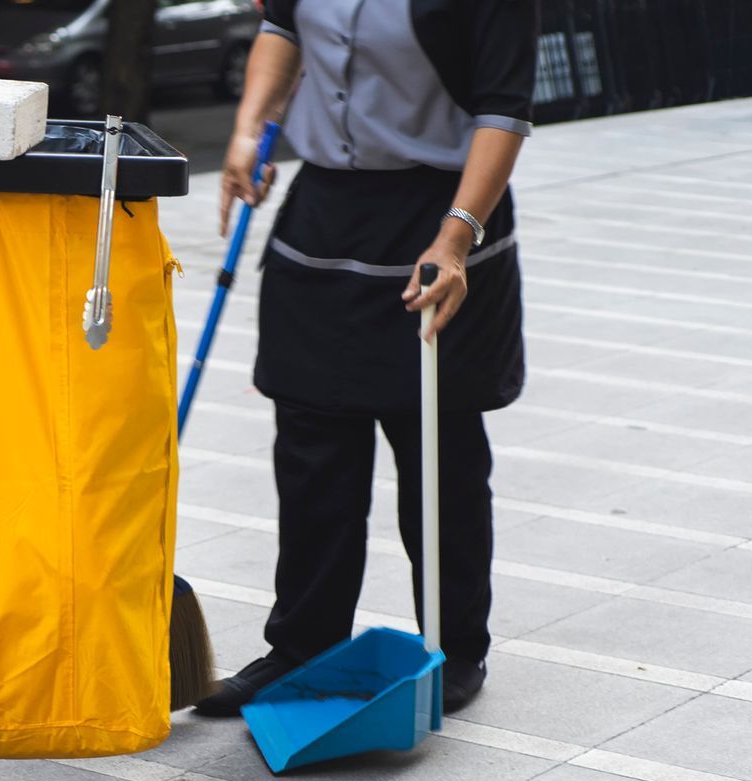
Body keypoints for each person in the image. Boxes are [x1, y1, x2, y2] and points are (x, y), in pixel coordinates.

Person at [194, 0, 537, 718]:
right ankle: (302, 648)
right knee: (312, 453)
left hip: (442, 216)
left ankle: (454, 646)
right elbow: (282, 30)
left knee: (437, 458)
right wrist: (247, 132)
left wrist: (456, 237)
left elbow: (504, 111)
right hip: (324, 215)